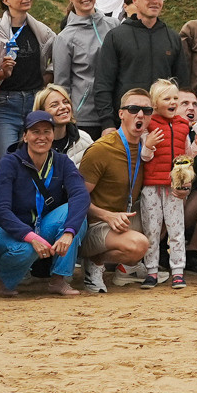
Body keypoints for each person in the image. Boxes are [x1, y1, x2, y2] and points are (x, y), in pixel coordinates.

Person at [0, 108, 92, 298]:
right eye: (35, 132)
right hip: (4, 232)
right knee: (26, 249)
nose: (41, 137)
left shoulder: (62, 161)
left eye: (46, 132)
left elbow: (80, 195)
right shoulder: (10, 163)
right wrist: (30, 236)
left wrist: (69, 232)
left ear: (52, 135)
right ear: (25, 136)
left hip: (40, 228)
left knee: (75, 217)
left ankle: (59, 279)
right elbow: (0, 209)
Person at [78, 88, 160, 290]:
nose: (140, 114)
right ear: (121, 113)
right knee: (138, 245)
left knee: (167, 212)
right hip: (96, 225)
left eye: (146, 110)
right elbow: (76, 198)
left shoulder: (147, 147)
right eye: (133, 109)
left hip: (126, 217)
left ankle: (127, 268)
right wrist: (107, 216)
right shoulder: (102, 149)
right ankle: (94, 263)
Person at [95, 0, 193, 134]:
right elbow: (103, 84)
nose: (155, 1)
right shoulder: (116, 36)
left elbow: (182, 85)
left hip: (164, 125)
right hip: (126, 124)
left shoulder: (172, 37)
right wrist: (107, 124)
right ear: (135, 0)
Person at [0, 0, 57, 159]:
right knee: (6, 161)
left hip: (34, 101)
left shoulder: (42, 31)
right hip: (4, 103)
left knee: (35, 160)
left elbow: (58, 57)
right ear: (5, 0)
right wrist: (0, 73)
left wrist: (47, 77)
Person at [139, 80, 197, 286]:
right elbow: (144, 158)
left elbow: (188, 155)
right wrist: (148, 145)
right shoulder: (150, 125)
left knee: (176, 229)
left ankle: (178, 270)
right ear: (155, 104)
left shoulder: (183, 125)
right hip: (152, 185)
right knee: (152, 229)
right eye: (167, 99)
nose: (172, 102)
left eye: (175, 98)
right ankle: (151, 270)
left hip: (174, 186)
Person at [49, 0, 114, 130]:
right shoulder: (64, 38)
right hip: (85, 118)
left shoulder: (114, 25)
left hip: (116, 113)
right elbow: (61, 85)